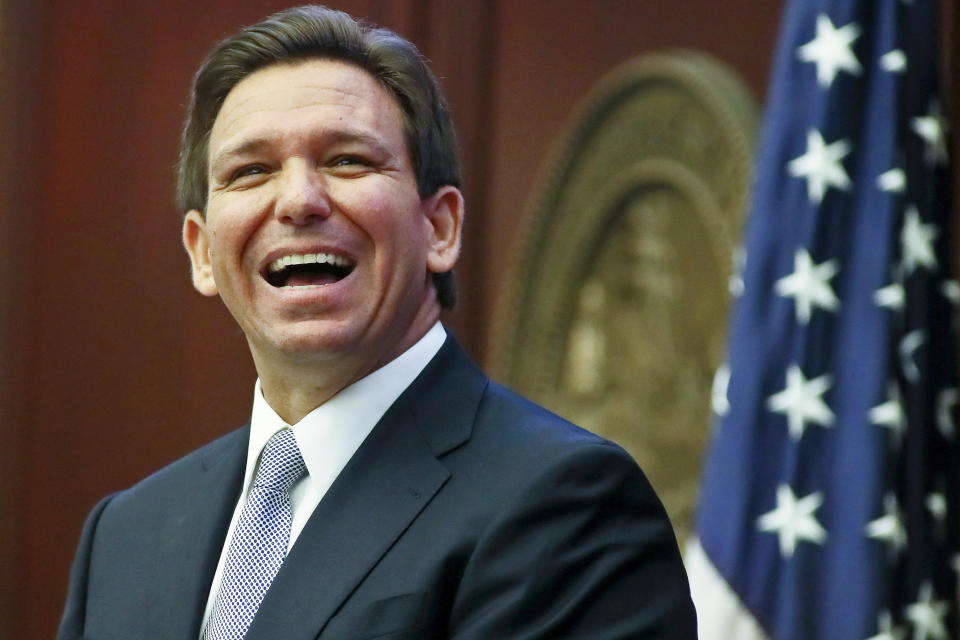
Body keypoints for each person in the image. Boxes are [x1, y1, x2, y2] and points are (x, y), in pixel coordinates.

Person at [57, 5, 697, 639]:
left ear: (440, 228)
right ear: (201, 250)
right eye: (251, 171)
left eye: (347, 161)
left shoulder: (567, 506)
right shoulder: (126, 534)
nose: (299, 200)